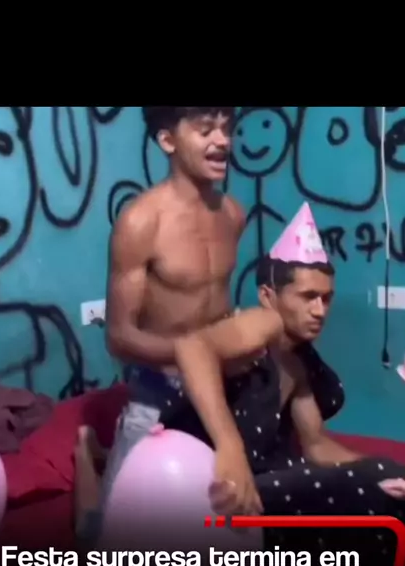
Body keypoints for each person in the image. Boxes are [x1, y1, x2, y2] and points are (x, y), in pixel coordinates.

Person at [75, 105, 284, 538]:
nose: (223, 141)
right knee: (102, 544)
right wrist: (198, 356)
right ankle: (86, 454)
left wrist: (230, 346)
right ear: (168, 140)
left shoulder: (233, 214)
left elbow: (213, 304)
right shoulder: (140, 222)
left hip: (220, 388)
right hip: (159, 388)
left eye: (226, 129)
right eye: (206, 130)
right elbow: (119, 337)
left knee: (233, 519)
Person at [173, 201, 405, 523]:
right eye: (308, 297)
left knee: (389, 483)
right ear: (268, 296)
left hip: (265, 480)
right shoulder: (265, 323)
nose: (320, 311)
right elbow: (191, 346)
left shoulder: (298, 361)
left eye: (327, 298)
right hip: (212, 485)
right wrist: (231, 449)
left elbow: (316, 445)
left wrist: (388, 471)